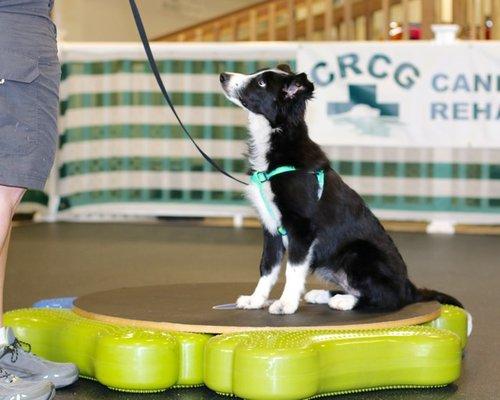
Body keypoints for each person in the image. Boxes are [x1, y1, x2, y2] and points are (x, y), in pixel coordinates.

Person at [0, 0, 78, 398]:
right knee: (2, 196)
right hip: (12, 29)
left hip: (23, 27)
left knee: (5, 196)